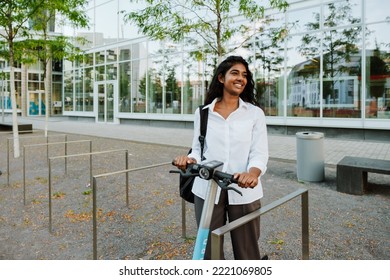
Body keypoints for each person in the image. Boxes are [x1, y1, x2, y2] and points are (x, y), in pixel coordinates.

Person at [173, 56, 269, 260]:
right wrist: (189, 160)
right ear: (221, 78)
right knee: (209, 250)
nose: (240, 78)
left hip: (243, 190)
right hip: (207, 189)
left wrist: (252, 174)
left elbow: (259, 152)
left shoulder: (254, 114)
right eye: (234, 73)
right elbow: (198, 149)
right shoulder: (203, 113)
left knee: (247, 251)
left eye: (244, 75)